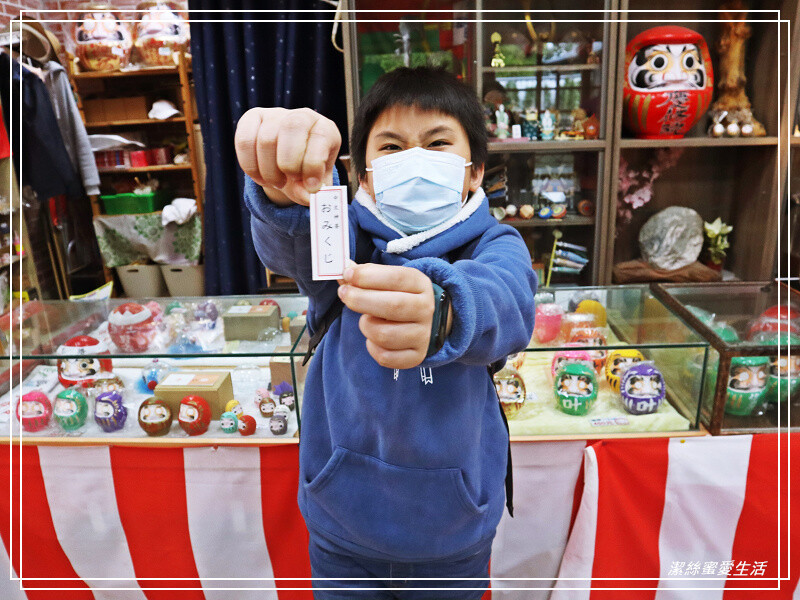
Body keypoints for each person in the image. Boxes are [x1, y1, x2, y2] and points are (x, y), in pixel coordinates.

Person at [235, 67, 537, 599]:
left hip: (455, 538)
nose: (415, 159)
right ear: (365, 174)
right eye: (392, 146)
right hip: (340, 532)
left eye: (438, 143)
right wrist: (285, 185)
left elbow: (510, 300)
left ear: (475, 171)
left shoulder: (496, 243)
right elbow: (292, 238)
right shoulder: (343, 237)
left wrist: (444, 309)